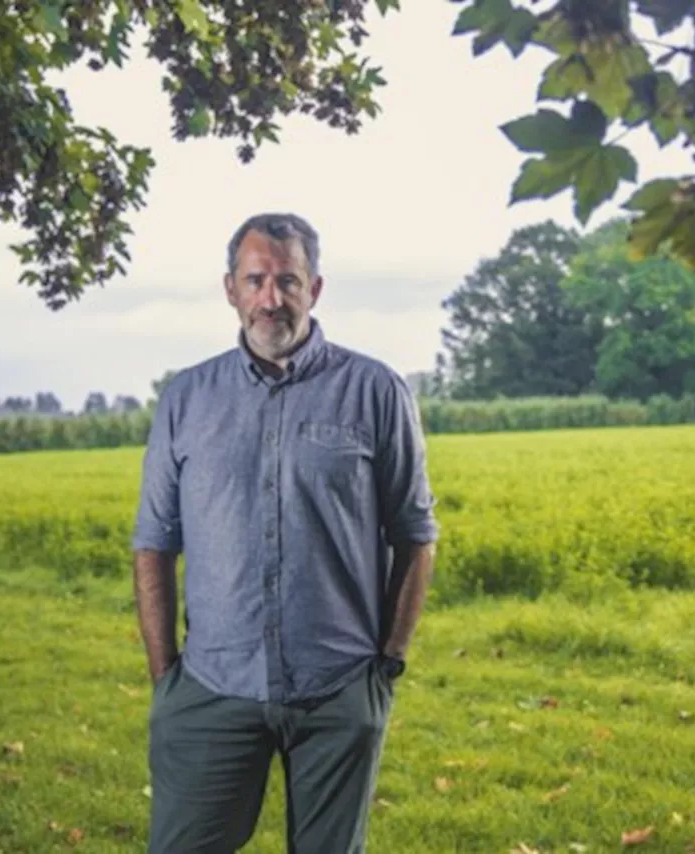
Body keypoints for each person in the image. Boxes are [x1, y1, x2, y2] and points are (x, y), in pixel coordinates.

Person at [131, 212, 439, 853]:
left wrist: (386, 666)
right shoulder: (186, 399)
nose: (272, 298)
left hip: (338, 688)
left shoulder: (375, 390)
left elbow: (415, 534)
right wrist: (166, 679)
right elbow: (154, 542)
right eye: (256, 280)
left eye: (288, 281)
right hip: (212, 688)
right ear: (231, 289)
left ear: (315, 289)